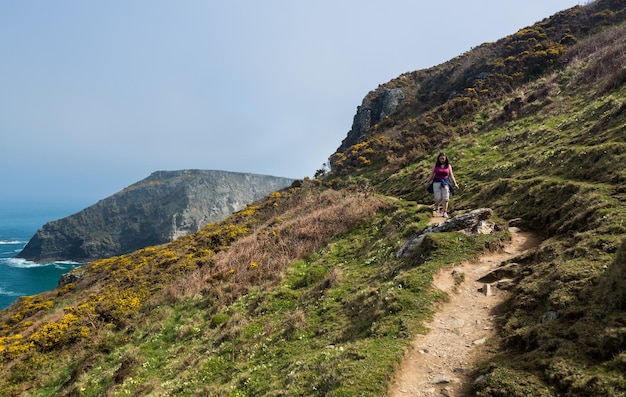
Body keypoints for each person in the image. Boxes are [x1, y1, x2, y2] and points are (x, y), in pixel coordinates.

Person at [424, 153, 459, 218]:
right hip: (436, 182)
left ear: (445, 159)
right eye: (440, 158)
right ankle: (437, 205)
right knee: (438, 198)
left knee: (445, 197)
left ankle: (444, 212)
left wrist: (455, 183)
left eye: (443, 158)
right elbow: (432, 175)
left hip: (445, 182)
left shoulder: (448, 166)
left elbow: (451, 175)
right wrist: (427, 182)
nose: (442, 160)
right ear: (438, 159)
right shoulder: (436, 165)